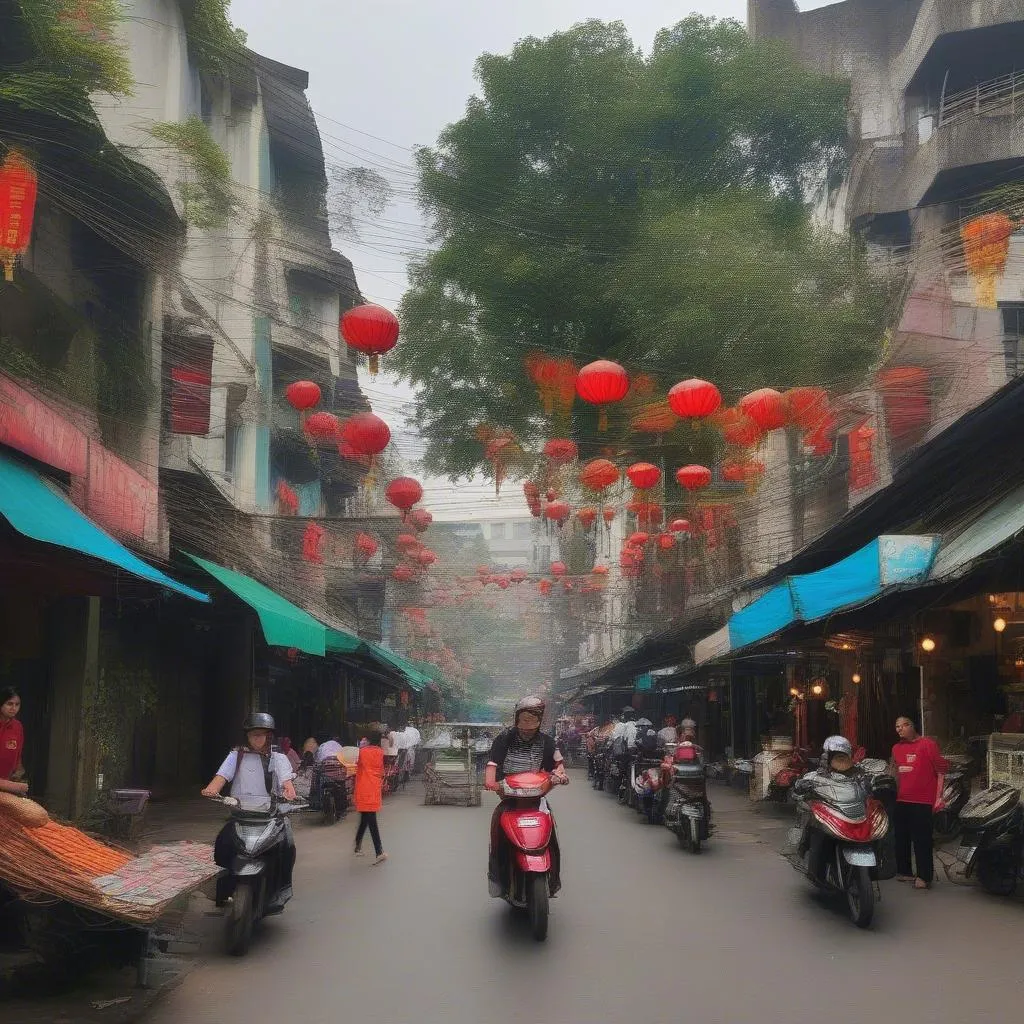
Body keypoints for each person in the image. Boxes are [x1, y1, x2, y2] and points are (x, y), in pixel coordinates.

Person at [202, 712, 298, 905]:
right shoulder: (235, 756)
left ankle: (282, 889)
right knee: (222, 845)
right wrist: (212, 789)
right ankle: (223, 892)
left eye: (262, 734)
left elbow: (288, 783)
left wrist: (289, 791)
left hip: (272, 816)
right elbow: (221, 777)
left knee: (287, 847)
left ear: (269, 736)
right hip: (241, 815)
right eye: (254, 734)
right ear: (247, 735)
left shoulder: (278, 759)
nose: (258, 738)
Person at [484, 695, 568, 896]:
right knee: (497, 830)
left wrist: (561, 776)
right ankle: (497, 875)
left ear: (539, 720)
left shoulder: (547, 742)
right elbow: (493, 763)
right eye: (524, 719)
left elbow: (558, 765)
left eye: (533, 719)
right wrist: (490, 782)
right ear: (517, 718)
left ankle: (553, 877)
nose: (527, 725)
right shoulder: (504, 738)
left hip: (536, 798)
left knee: (553, 836)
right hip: (510, 797)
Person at [889, 715, 947, 890]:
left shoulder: (928, 745)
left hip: (922, 801)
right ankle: (904, 871)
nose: (899, 729)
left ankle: (924, 876)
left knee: (922, 839)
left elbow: (942, 769)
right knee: (901, 837)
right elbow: (893, 771)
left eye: (903, 725)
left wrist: (939, 796)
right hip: (901, 799)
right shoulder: (896, 748)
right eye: (897, 726)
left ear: (911, 726)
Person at [353, 729, 388, 865]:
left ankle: (358, 845)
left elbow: (358, 766)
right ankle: (379, 852)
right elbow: (381, 770)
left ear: (368, 739)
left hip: (362, 788)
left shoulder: (362, 752)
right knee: (370, 819)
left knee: (366, 818)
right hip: (374, 788)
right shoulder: (380, 752)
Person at [0, 687, 27, 796]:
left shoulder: (17, 727)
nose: (13, 708)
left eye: (17, 704)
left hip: (7, 784)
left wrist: (18, 775)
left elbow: (18, 755)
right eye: (9, 704)